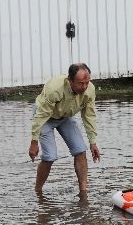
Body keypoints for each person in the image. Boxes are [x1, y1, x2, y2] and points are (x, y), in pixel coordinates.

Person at [28, 63, 101, 195]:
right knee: (50, 156)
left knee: (80, 150)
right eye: (80, 83)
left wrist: (93, 142)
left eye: (87, 82)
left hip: (65, 117)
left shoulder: (89, 90)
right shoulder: (55, 89)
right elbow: (41, 116)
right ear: (70, 80)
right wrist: (34, 142)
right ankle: (37, 192)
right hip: (45, 118)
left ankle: (83, 193)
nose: (84, 87)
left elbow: (89, 116)